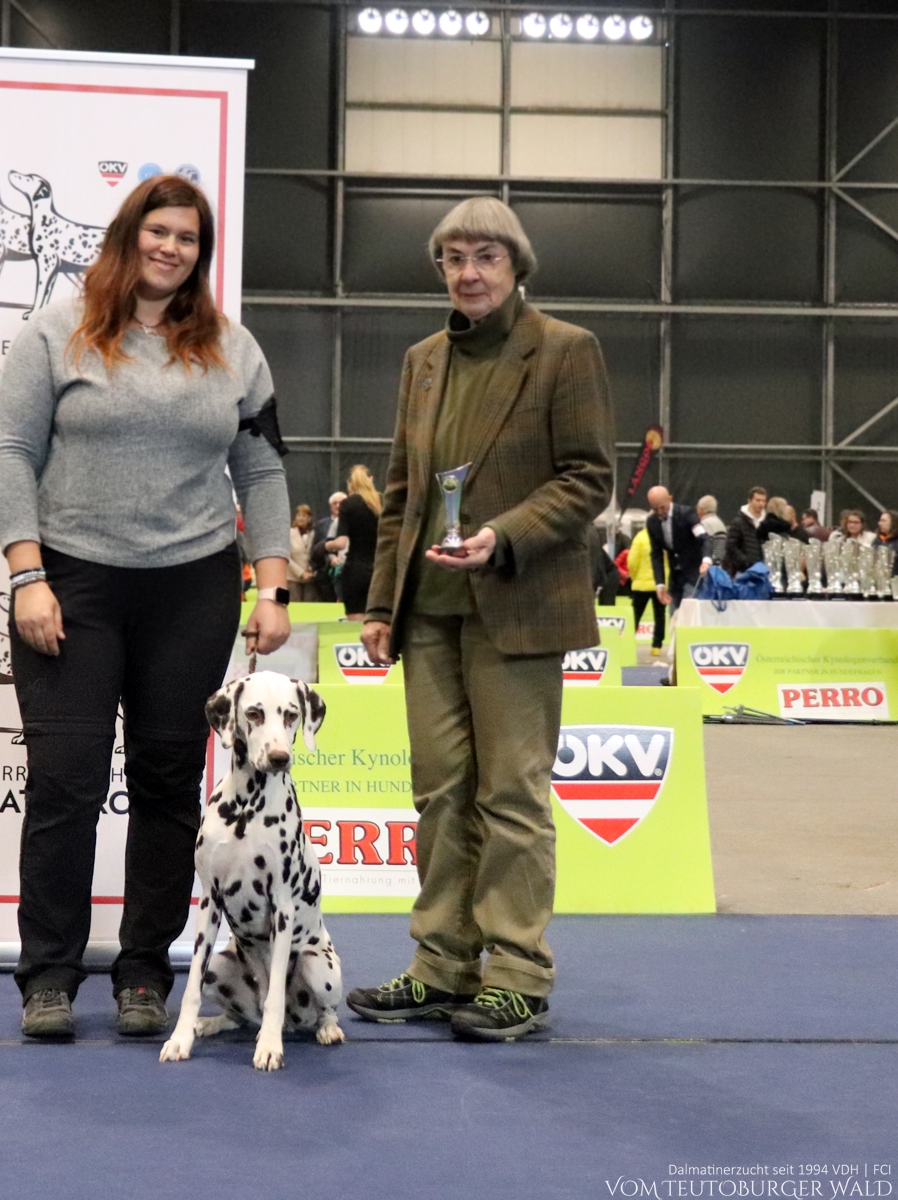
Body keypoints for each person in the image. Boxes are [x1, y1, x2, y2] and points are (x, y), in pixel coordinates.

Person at [0, 174, 291, 1042]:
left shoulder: (233, 348)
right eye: (158, 231)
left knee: (165, 787)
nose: (171, 248)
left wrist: (270, 586)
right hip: (73, 586)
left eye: (188, 238)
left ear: (201, 253)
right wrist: (26, 577)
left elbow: (262, 469)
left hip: (193, 586)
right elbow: (11, 454)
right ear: (129, 237)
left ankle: (144, 975)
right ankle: (47, 977)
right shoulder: (55, 332)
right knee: (66, 785)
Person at [346, 196, 615, 1041]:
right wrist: (380, 604)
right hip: (428, 613)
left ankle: (516, 975)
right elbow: (401, 495)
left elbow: (586, 479)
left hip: (519, 603)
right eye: (452, 258)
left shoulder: (567, 351)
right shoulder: (423, 359)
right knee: (438, 795)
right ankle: (439, 966)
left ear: (516, 264)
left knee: (512, 796)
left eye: (485, 256)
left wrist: (503, 536)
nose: (467, 272)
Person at [324, 465, 381, 621]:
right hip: (382, 571)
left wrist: (325, 546)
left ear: (350, 484)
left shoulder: (348, 504)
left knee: (356, 624)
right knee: (380, 623)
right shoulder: (383, 501)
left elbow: (341, 543)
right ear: (371, 480)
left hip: (356, 570)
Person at [646, 486, 711, 613]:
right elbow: (656, 554)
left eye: (662, 507)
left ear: (670, 499)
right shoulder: (652, 522)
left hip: (693, 575)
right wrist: (660, 584)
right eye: (655, 509)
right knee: (673, 617)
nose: (659, 512)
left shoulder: (687, 514)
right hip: (674, 579)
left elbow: (705, 539)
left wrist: (706, 561)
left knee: (689, 617)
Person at [627, 524, 666, 656]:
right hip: (660, 584)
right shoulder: (664, 537)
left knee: (635, 615)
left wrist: (635, 577)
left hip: (641, 585)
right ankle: (657, 647)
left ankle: (628, 642)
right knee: (660, 616)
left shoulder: (640, 537)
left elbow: (632, 561)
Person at [724, 485, 768, 574]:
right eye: (758, 500)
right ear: (749, 501)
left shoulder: (766, 523)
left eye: (763, 501)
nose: (761, 504)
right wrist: (745, 562)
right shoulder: (738, 522)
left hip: (760, 571)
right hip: (740, 572)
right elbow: (731, 546)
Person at [286, 504, 317, 601]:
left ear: (309, 518)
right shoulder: (289, 533)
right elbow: (287, 557)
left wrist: (311, 570)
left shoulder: (313, 533)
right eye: (299, 515)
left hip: (310, 578)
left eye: (304, 516)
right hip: (293, 579)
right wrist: (301, 573)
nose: (301, 518)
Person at [695, 494, 727, 564]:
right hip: (721, 564)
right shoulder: (721, 523)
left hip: (708, 564)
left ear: (701, 509)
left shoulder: (702, 524)